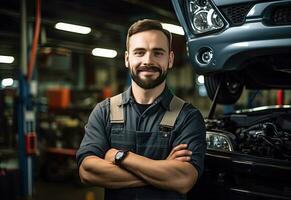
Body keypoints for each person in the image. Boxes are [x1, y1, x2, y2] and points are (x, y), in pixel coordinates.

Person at [76, 19, 206, 200]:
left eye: (157, 53)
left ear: (170, 59)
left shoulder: (188, 117)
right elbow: (87, 172)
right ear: (127, 59)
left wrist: (120, 156)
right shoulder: (104, 111)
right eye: (139, 52)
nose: (148, 61)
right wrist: (163, 170)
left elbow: (184, 179)